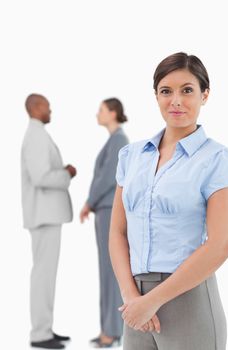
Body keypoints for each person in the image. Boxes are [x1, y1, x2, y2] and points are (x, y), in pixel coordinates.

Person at [109, 52, 228, 350]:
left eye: (187, 90)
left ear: (205, 95)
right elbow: (117, 231)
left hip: (188, 301)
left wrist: (153, 300)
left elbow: (221, 244)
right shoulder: (132, 156)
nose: (176, 100)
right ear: (156, 96)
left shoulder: (217, 160)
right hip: (135, 306)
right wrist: (132, 298)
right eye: (166, 91)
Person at [21, 94, 76, 349]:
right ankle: (40, 333)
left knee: (46, 275)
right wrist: (66, 173)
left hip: (46, 215)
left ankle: (45, 328)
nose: (50, 110)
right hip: (44, 216)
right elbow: (41, 176)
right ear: (36, 108)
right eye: (47, 106)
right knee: (43, 276)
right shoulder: (36, 136)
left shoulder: (38, 134)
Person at [80, 98, 129, 348]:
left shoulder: (119, 140)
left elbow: (108, 177)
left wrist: (88, 202)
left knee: (110, 271)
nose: (97, 114)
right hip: (106, 210)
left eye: (100, 110)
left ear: (112, 113)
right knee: (108, 270)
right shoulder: (114, 140)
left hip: (109, 210)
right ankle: (110, 329)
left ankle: (111, 331)